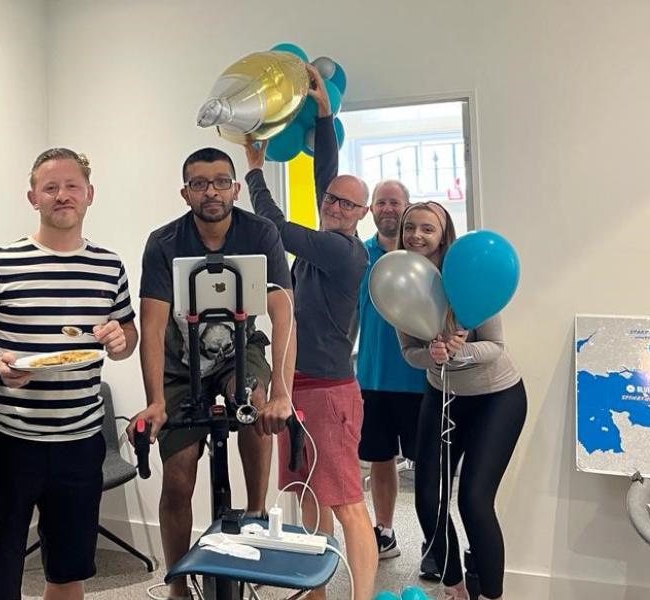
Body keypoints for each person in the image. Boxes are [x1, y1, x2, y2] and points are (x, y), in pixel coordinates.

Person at [0, 147, 138, 600]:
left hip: (80, 441)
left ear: (89, 194)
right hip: (7, 439)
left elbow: (127, 334)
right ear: (32, 196)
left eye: (71, 186)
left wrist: (122, 340)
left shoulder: (109, 265)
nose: (62, 195)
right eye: (51, 187)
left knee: (67, 570)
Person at [129, 146, 295, 600]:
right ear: (185, 193)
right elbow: (153, 324)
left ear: (235, 188)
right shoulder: (163, 243)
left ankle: (257, 514)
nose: (211, 191)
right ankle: (178, 583)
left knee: (254, 407)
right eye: (199, 183)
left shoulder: (260, 233)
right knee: (178, 475)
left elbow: (284, 315)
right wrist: (156, 402)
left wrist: (283, 393)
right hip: (181, 368)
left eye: (221, 181)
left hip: (239, 354)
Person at [244, 65, 377, 600]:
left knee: (345, 501)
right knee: (306, 496)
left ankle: (362, 596)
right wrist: (324, 116)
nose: (336, 205)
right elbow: (327, 178)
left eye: (349, 203)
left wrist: (253, 170)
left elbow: (274, 224)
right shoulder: (331, 226)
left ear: (362, 215)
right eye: (333, 199)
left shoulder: (345, 252)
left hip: (331, 395)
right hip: (296, 389)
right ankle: (315, 593)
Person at [396, 202, 527, 600]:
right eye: (410, 228)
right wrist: (432, 356)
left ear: (443, 235)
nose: (417, 235)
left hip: (496, 398)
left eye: (427, 229)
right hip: (442, 396)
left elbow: (496, 346)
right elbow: (409, 352)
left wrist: (458, 352)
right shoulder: (400, 282)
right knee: (426, 500)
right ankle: (454, 586)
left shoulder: (466, 273)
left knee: (473, 500)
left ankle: (491, 594)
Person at [355, 180, 439, 575]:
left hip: (422, 378)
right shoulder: (359, 254)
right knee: (380, 459)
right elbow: (349, 312)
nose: (388, 208)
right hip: (372, 376)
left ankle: (435, 540)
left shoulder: (425, 257)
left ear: (406, 211)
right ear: (371, 209)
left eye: (396, 203)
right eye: (381, 202)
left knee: (428, 464)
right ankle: (384, 532)